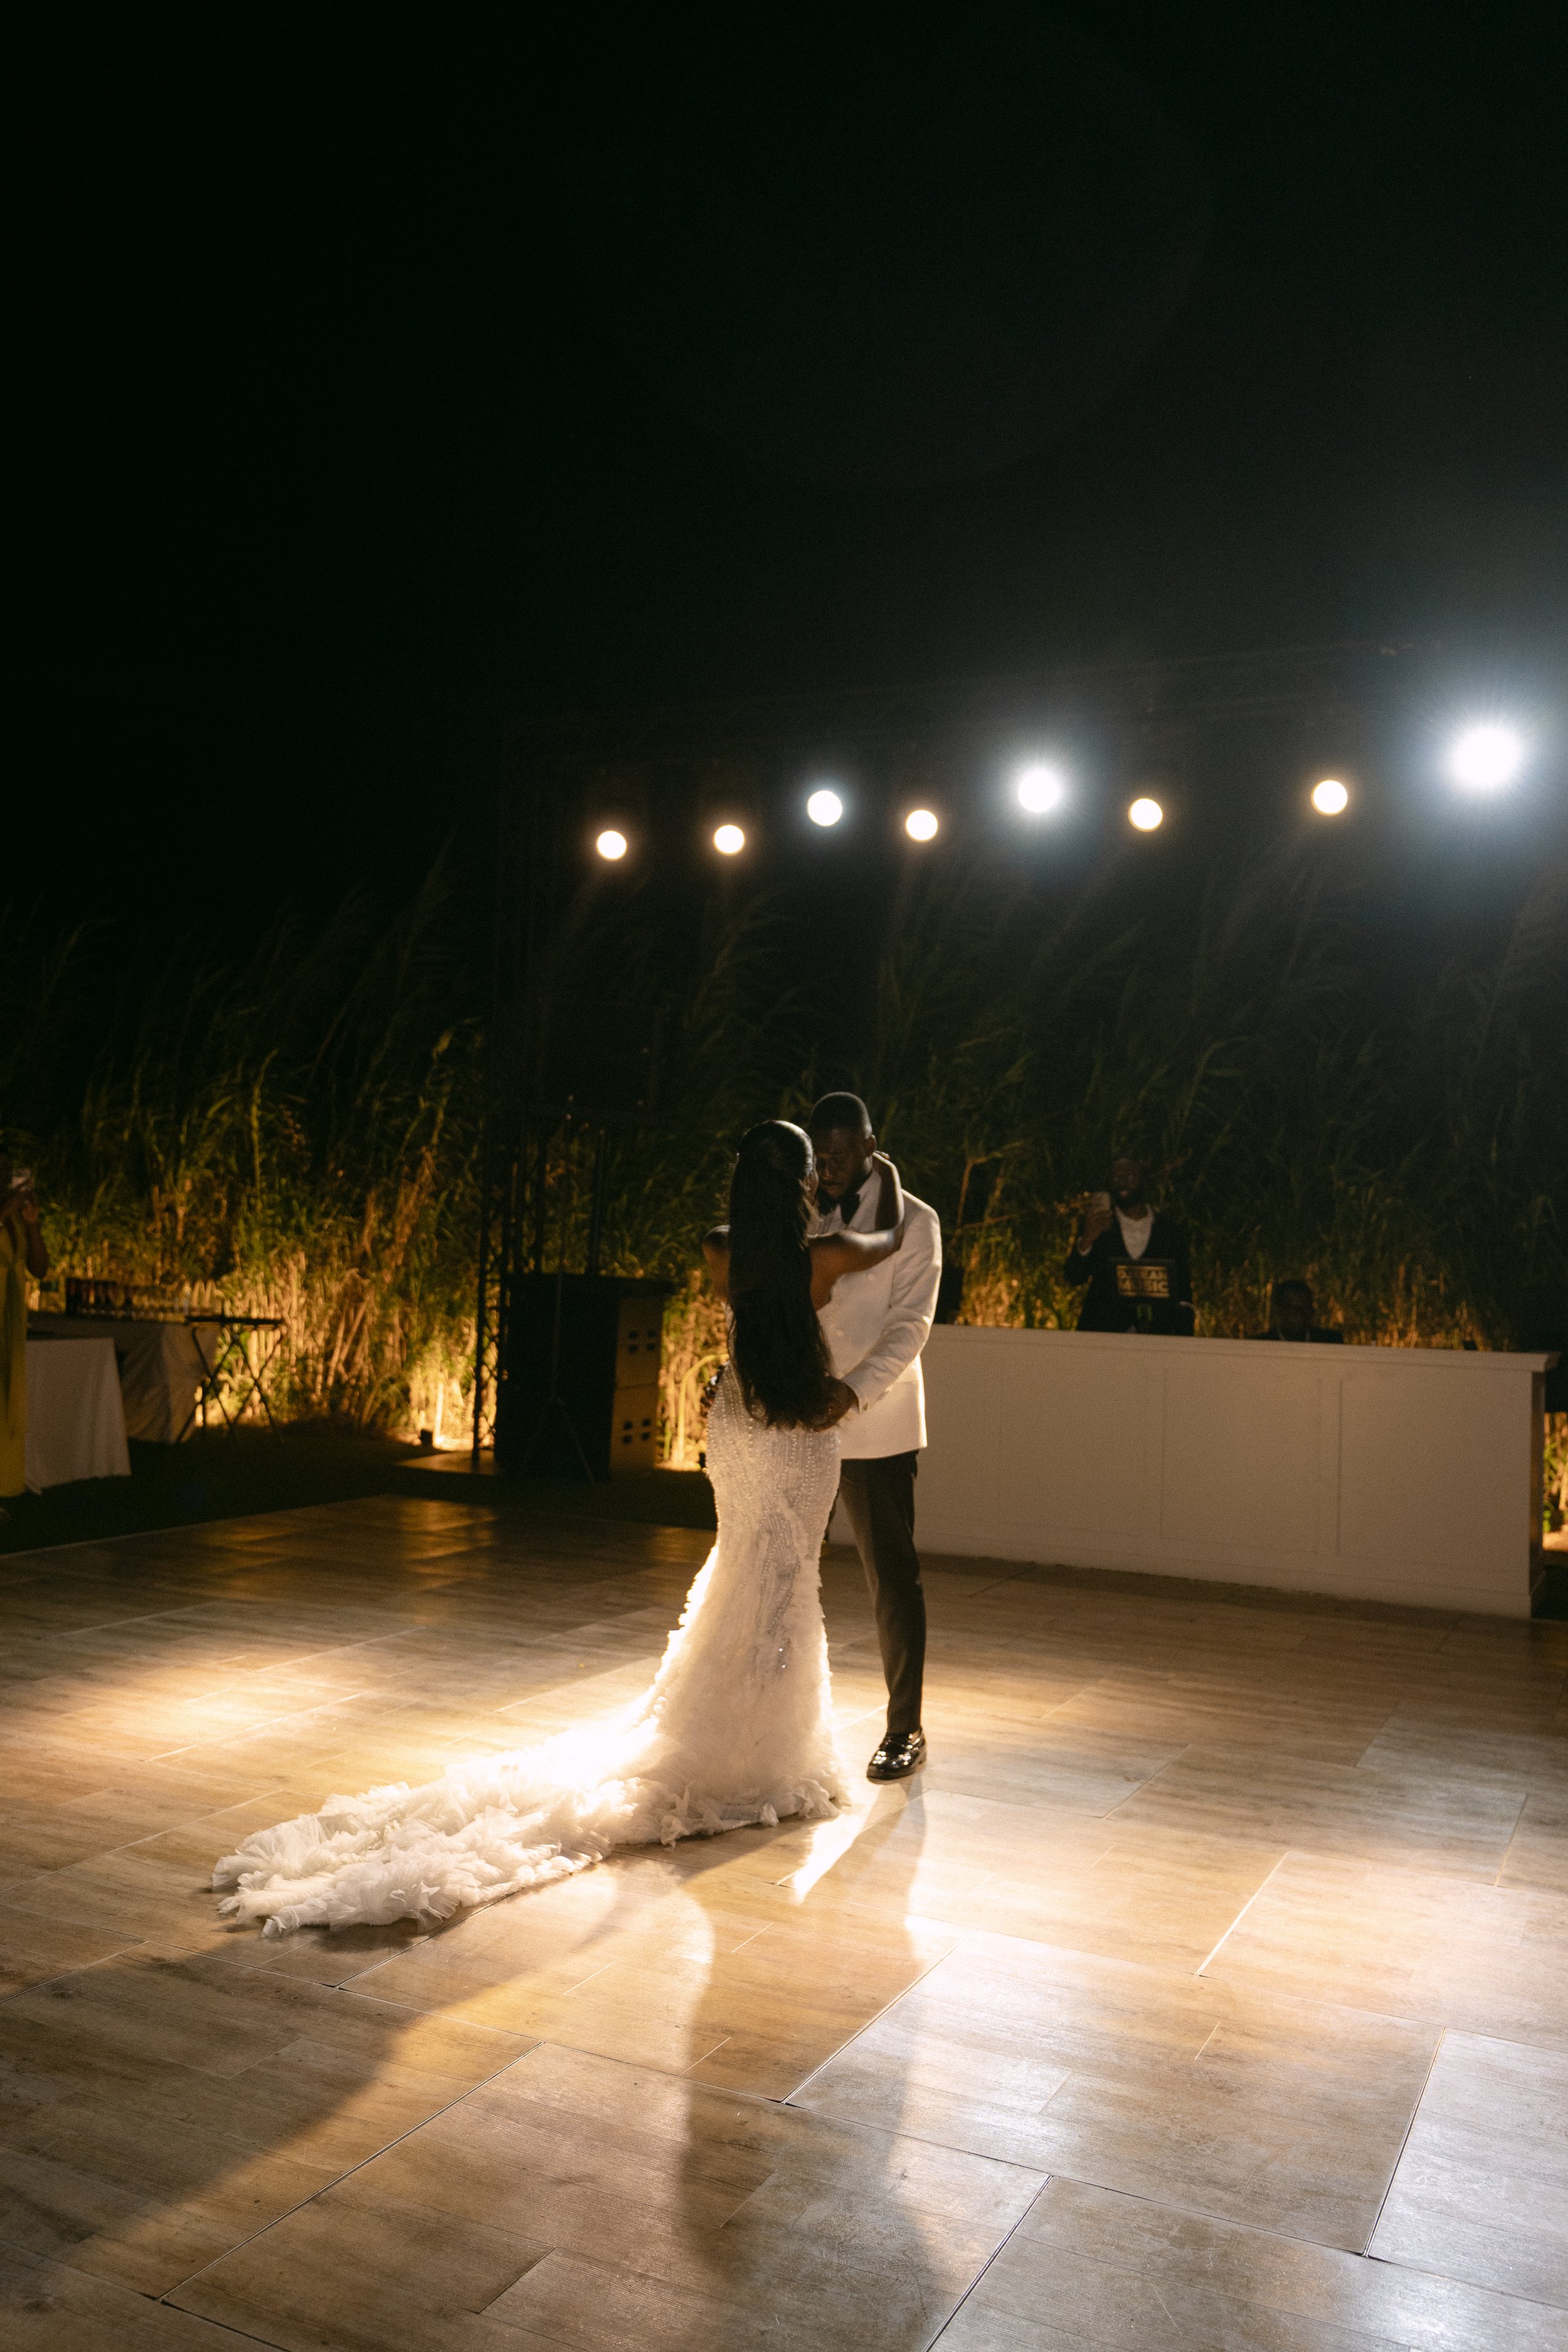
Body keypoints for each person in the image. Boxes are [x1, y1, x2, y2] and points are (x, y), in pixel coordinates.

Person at [213, 1120, 903, 1937]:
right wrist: (885, 1171)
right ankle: (759, 1745)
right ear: (798, 1185)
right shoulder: (820, 1255)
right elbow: (890, 1236)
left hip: (737, 1423)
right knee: (786, 1573)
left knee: (744, 1559)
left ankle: (736, 1724)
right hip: (794, 1432)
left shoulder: (721, 1247)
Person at [807, 1091, 943, 1785]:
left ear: (869, 1144)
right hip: (798, 1422)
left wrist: (852, 1392)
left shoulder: (916, 1221)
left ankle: (904, 1728)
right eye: (819, 1157)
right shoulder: (805, 1211)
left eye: (839, 1155)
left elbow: (910, 1327)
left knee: (890, 1578)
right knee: (785, 1570)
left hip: (876, 1425)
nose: (828, 1170)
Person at [1066, 1153, 1193, 1335]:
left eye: (1130, 1177)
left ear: (1145, 1181)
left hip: (1157, 1340)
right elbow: (1074, 1277)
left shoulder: (1169, 1232)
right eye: (1116, 1178)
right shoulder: (1099, 1225)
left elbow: (1183, 1292)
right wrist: (1086, 1241)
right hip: (1103, 1337)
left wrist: (1185, 1343)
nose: (1122, 1182)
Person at [1, 1145, 50, 1508]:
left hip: (11, 1319)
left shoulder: (16, 1218)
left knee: (6, 1400)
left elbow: (39, 1268)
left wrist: (31, 1224)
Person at [1258, 1279, 1344, 1343]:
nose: (1300, 1315)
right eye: (1293, 1309)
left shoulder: (1330, 1341)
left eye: (1305, 1308)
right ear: (1279, 1311)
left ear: (1312, 1312)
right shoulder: (1261, 1344)